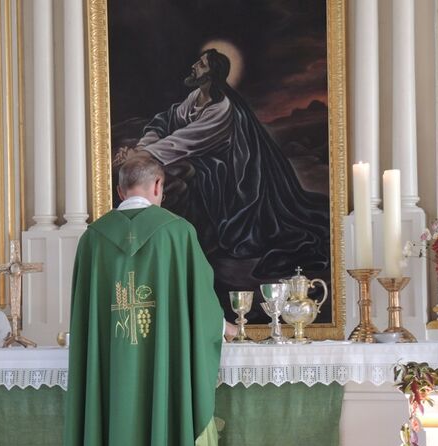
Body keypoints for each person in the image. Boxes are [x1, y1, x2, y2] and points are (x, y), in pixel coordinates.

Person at [61, 155, 233, 446]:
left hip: (110, 385)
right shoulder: (178, 233)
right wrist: (224, 327)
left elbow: (84, 319)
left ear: (120, 190)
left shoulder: (92, 240)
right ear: (158, 186)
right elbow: (204, 313)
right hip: (165, 383)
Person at [114, 49, 330, 321]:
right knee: (184, 175)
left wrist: (139, 156)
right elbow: (167, 123)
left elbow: (184, 141)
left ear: (212, 74)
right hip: (207, 164)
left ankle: (197, 252)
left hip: (236, 178)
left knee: (190, 178)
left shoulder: (221, 109)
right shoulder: (196, 97)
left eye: (201, 64)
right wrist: (141, 150)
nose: (195, 66)